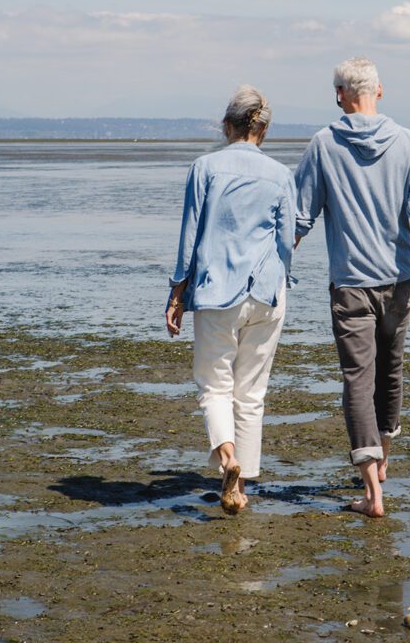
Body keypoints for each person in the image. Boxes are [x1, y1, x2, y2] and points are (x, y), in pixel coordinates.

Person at [294, 57, 410, 518]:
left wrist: (270, 271)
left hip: (351, 285)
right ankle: (381, 465)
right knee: (389, 374)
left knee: (358, 381)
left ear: (339, 94)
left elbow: (300, 219)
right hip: (400, 281)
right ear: (380, 91)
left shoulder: (323, 144)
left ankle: (372, 493)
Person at [166, 85, 296, 514]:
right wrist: (282, 283)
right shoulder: (280, 174)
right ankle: (242, 487)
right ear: (263, 129)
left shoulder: (205, 168)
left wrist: (177, 293)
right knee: (251, 393)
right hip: (266, 292)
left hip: (216, 290)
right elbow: (285, 242)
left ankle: (228, 460)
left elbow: (190, 237)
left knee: (214, 386)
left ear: (228, 124)